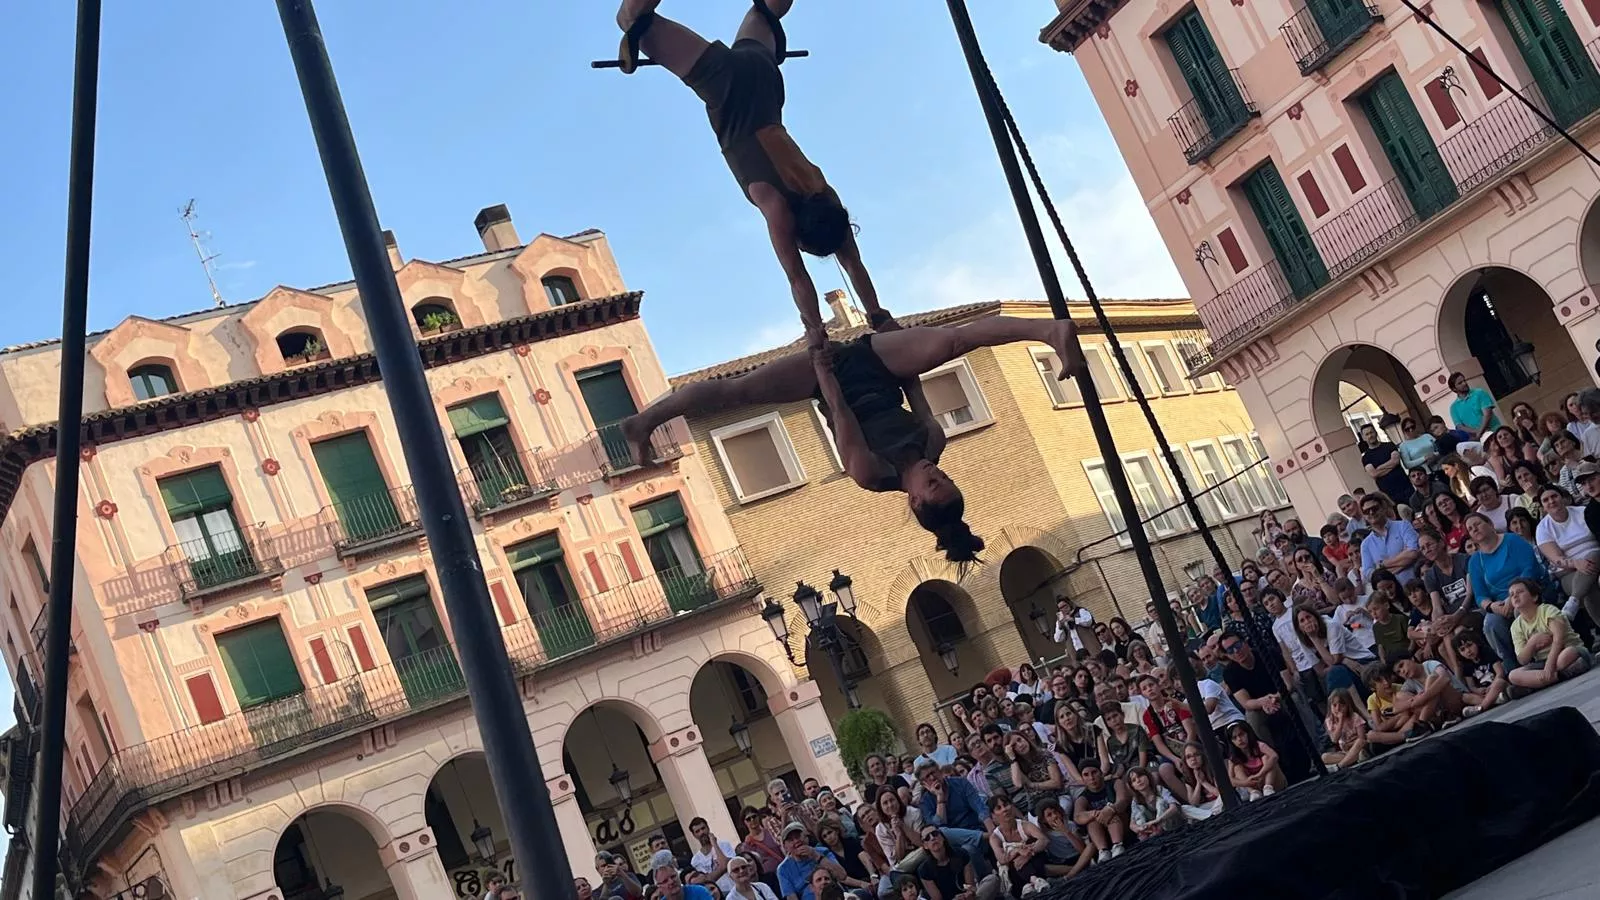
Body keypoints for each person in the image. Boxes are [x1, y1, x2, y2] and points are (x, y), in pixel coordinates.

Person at [622, 317, 1081, 565]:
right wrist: (896, 336)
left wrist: (823, 368)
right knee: (953, 342)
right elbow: (914, 385)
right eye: (946, 477)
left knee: (733, 392)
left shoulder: (870, 473)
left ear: (915, 502)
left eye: (933, 484)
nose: (936, 472)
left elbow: (840, 419)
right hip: (878, 364)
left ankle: (645, 424)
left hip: (833, 385)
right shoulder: (933, 441)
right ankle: (1048, 331)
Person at [611, 0, 872, 337]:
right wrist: (815, 333)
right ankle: (636, 21)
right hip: (724, 86)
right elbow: (797, 276)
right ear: (801, 237)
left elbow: (854, 264)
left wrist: (879, 314)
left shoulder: (823, 191)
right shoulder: (775, 205)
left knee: (766, 11)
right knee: (630, 19)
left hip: (763, 79)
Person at [1467, 512, 1548, 667]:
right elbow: (1480, 595)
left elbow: (1529, 569)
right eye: (1470, 529)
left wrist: (1512, 598)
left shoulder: (1513, 540)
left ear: (1490, 524)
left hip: (1529, 591)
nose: (1474, 529)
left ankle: (1538, 658)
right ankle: (1512, 668)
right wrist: (1491, 606)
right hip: (1500, 605)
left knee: (1520, 609)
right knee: (1491, 623)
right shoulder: (1475, 561)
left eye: (1477, 524)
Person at [1508, 576, 1594, 690]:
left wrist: (1549, 666)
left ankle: (1534, 684)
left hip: (1566, 651)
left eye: (1520, 592)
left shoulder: (1548, 610)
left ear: (1534, 597)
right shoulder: (1515, 626)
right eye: (1511, 594)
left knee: (1565, 657)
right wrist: (1532, 643)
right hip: (1542, 662)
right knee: (1513, 675)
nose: (1514, 596)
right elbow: (1523, 659)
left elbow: (1559, 639)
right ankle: (1559, 676)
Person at [1535, 483, 1600, 625]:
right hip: (1568, 572)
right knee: (1589, 589)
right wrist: (1576, 563)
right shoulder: (1542, 528)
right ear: (1542, 506)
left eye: (1554, 496)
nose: (1551, 501)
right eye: (1546, 500)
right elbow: (1556, 559)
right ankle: (1576, 599)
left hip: (1596, 558)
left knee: (1594, 554)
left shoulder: (1583, 512)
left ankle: (1573, 602)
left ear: (1562, 497)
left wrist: (1585, 561)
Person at [914, 760, 990, 858]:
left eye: (933, 772)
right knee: (941, 831)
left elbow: (980, 807)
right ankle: (983, 837)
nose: (932, 778)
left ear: (940, 771)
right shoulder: (925, 802)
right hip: (951, 841)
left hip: (974, 827)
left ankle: (985, 836)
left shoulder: (960, 783)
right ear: (923, 784)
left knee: (969, 848)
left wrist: (992, 830)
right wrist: (940, 798)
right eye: (927, 777)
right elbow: (938, 827)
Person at [985, 795, 1048, 898]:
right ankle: (1034, 881)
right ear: (993, 815)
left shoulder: (1024, 825)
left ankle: (1031, 883)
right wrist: (1017, 851)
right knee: (1014, 862)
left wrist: (1028, 854)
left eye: (1006, 805)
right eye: (999, 808)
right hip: (1015, 874)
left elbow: (1044, 840)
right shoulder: (995, 837)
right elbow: (1001, 859)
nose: (1004, 809)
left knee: (1030, 859)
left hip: (1033, 860)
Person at [915, 825, 999, 900]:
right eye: (927, 838)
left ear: (942, 837)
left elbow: (970, 886)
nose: (932, 838)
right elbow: (937, 898)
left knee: (992, 880)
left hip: (968, 898)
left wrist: (968, 894)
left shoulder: (961, 854)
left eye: (935, 834)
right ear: (925, 845)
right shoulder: (924, 870)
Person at [1071, 762, 1130, 862]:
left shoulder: (1115, 783)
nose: (1091, 777)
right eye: (1086, 775)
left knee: (1111, 815)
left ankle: (1118, 846)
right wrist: (1094, 814)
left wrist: (1111, 809)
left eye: (1094, 772)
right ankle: (1103, 851)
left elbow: (1123, 800)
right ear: (1082, 779)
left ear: (1101, 773)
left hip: (1123, 827)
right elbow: (1077, 817)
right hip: (1101, 834)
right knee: (1091, 822)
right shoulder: (1082, 797)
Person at [1359, 494, 1420, 587]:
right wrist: (1404, 559)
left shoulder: (1403, 526)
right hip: (1393, 595)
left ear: (1383, 508)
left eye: (1374, 508)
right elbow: (1368, 574)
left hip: (1417, 585)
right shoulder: (1366, 544)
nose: (1371, 512)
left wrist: (1382, 565)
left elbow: (1414, 553)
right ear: (1364, 516)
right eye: (1366, 511)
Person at [777, 823, 850, 900]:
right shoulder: (783, 869)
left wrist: (816, 856)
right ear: (785, 847)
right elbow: (791, 897)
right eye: (791, 840)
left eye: (798, 836)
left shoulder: (823, 851)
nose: (796, 841)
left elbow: (842, 875)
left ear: (806, 837)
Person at [1391, 653, 1466, 729]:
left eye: (1401, 665)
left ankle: (1422, 723)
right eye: (1398, 672)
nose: (1402, 671)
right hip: (1441, 710)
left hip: (1458, 699)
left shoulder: (1430, 664)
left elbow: (1445, 678)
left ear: (1412, 659)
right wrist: (1413, 700)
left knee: (1431, 679)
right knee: (1400, 695)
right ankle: (1439, 718)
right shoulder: (1410, 682)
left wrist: (1423, 697)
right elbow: (1395, 708)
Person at [1364, 663, 1422, 747]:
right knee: (1370, 735)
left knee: (1415, 714)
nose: (1386, 682)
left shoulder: (1401, 689)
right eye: (1380, 681)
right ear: (1372, 687)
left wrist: (1402, 717)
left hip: (1408, 723)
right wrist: (1399, 716)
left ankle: (1397, 739)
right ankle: (1402, 737)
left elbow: (1411, 712)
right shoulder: (1372, 699)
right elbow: (1379, 727)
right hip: (1391, 731)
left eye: (1387, 677)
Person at [1223, 720, 1284, 800]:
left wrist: (1260, 774)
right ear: (1232, 742)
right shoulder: (1234, 757)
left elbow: (1274, 756)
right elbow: (1230, 780)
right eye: (1234, 738)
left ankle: (1268, 787)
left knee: (1267, 758)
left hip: (1274, 782)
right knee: (1237, 767)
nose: (1239, 739)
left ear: (1248, 734)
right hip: (1254, 784)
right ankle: (1254, 792)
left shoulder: (1259, 746)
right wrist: (1245, 783)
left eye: (1241, 734)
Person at [1033, 800, 1095, 878]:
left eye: (1055, 812)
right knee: (1043, 867)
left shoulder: (1070, 825)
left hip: (1078, 857)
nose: (1055, 816)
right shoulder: (1044, 833)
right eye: (1049, 815)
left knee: (1091, 847)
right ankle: (1077, 869)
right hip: (1061, 862)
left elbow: (1082, 849)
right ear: (1043, 820)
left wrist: (1066, 831)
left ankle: (1070, 875)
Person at [1452, 630, 1509, 715]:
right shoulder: (1466, 665)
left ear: (1476, 642)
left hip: (1497, 685)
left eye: (1469, 645)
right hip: (1484, 693)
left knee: (1499, 682)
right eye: (1462, 649)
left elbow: (1500, 673)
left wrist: (1492, 686)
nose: (1468, 651)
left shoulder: (1486, 652)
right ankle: (1494, 701)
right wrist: (1478, 690)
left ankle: (1482, 707)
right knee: (1465, 697)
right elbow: (1471, 686)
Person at [1004, 731, 1064, 808]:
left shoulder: (1044, 754)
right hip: (1036, 803)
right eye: (1014, 745)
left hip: (1058, 796)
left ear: (1026, 739)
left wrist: (1033, 785)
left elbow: (1057, 783)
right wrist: (1012, 759)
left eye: (1019, 740)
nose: (1020, 745)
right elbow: (1018, 784)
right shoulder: (1016, 766)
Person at [1126, 765, 1184, 838]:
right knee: (1140, 809)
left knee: (1160, 802)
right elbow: (1132, 825)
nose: (1138, 781)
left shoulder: (1159, 789)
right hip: (1150, 828)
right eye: (1134, 780)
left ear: (1148, 777)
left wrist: (1157, 821)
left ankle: (1159, 830)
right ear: (1133, 786)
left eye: (1140, 776)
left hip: (1169, 823)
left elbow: (1174, 807)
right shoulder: (1136, 800)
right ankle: (1145, 836)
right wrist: (1140, 828)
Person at [1360, 424, 1411, 505]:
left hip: (1406, 487)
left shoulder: (1389, 445)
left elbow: (1396, 461)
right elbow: (1373, 474)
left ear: (1376, 432)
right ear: (1363, 438)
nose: (1370, 436)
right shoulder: (1366, 457)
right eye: (1367, 434)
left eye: (1371, 432)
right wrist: (1390, 465)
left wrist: (1379, 468)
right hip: (1389, 495)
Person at [690, 817, 739, 896]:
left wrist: (714, 844)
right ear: (694, 835)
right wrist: (722, 867)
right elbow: (707, 880)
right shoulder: (695, 860)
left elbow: (728, 865)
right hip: (717, 895)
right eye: (697, 831)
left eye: (703, 828)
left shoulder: (724, 845)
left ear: (708, 828)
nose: (702, 832)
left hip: (735, 889)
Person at [1321, 691, 1368, 768]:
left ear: (1348, 705)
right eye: (1334, 705)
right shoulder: (1329, 721)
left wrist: (1350, 744)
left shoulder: (1354, 717)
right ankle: (1351, 759)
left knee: (1360, 743)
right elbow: (1334, 739)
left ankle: (1339, 766)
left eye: (1342, 705)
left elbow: (1362, 738)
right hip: (1345, 752)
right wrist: (1341, 721)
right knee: (1324, 757)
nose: (1338, 709)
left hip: (1358, 748)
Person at [1053, 596, 1097, 660]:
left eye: (1064, 606)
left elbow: (1088, 621)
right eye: (1061, 608)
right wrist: (1060, 627)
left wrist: (1074, 619)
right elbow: (1057, 639)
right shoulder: (1060, 621)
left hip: (1090, 648)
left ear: (1069, 604)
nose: (1063, 609)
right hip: (1076, 653)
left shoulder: (1080, 611)